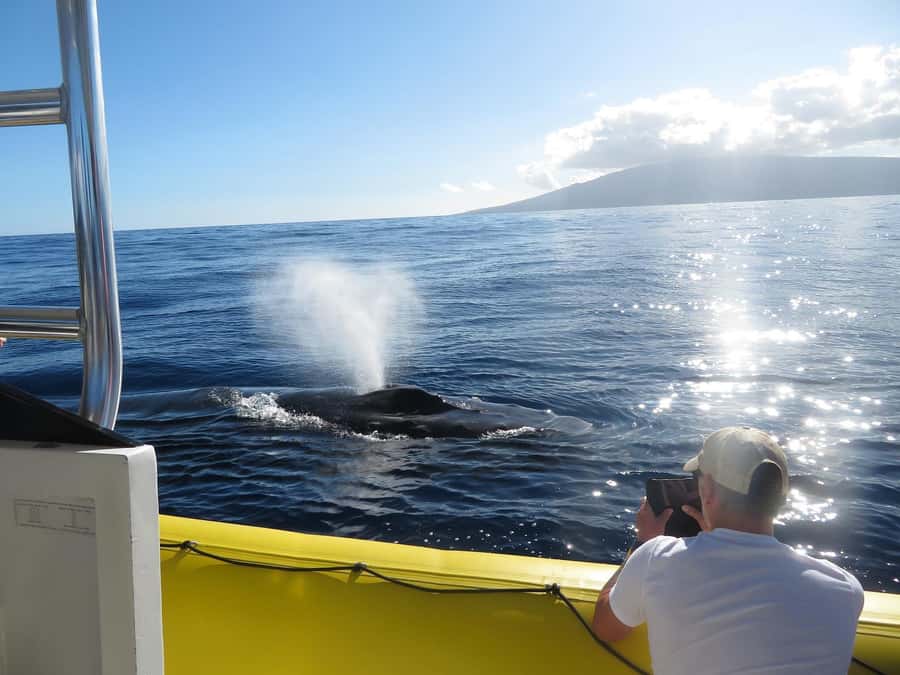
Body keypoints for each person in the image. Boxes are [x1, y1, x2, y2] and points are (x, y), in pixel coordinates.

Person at [591, 426, 864, 675]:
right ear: (780, 498)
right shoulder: (846, 589)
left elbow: (606, 628)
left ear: (706, 489)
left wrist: (643, 541)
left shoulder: (657, 558)